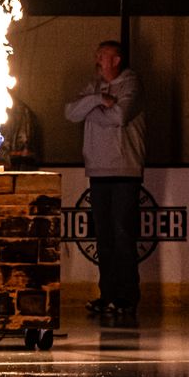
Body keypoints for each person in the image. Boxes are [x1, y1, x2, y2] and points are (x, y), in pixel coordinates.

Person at [64, 40, 145, 317]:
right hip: (97, 171)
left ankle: (127, 297)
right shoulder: (93, 87)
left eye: (103, 55)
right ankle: (107, 295)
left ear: (117, 59)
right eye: (97, 54)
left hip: (124, 171)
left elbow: (120, 116)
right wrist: (98, 101)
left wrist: (93, 111)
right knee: (104, 238)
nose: (98, 59)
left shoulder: (131, 85)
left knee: (123, 235)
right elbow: (71, 113)